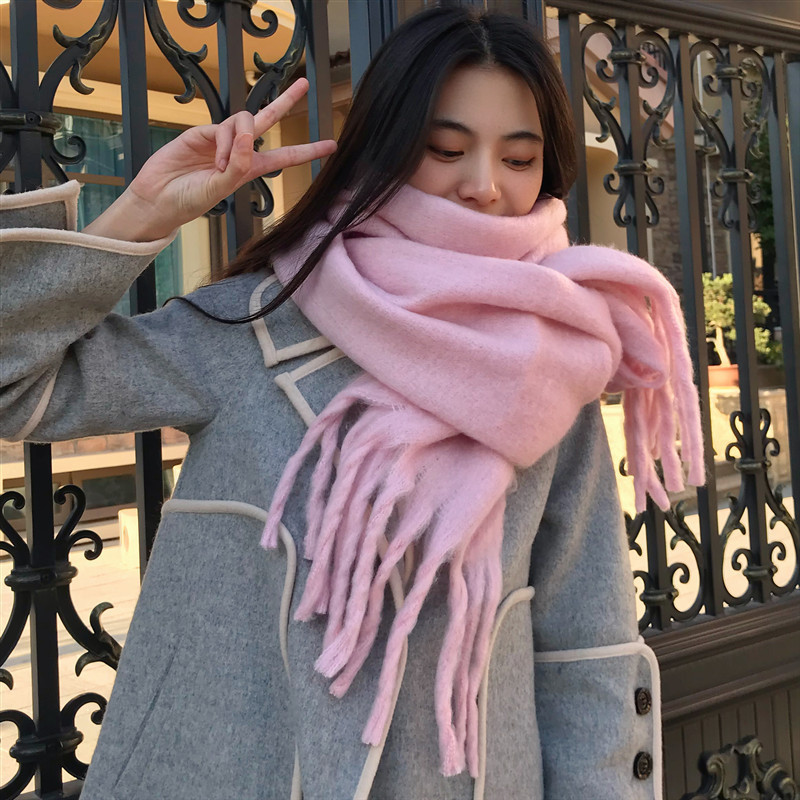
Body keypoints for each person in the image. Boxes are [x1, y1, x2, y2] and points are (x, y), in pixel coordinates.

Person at [0, 6, 703, 799]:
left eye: (518, 158)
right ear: (385, 148)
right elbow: (14, 385)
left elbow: (584, 645)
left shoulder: (553, 361)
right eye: (445, 149)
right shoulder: (255, 327)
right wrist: (144, 211)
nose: (483, 186)